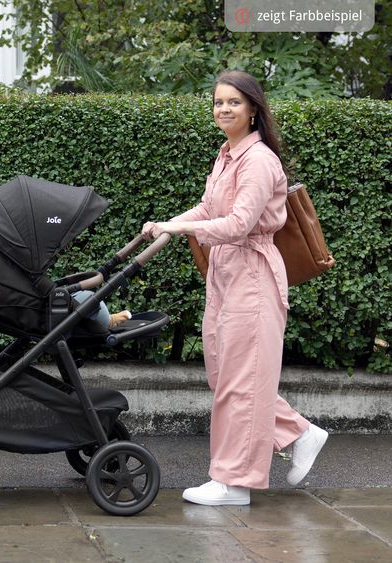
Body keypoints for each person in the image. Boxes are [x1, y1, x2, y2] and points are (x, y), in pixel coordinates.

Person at [141, 70, 328, 506]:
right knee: (224, 374)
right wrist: (169, 225)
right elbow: (210, 207)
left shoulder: (260, 160)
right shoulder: (227, 155)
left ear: (253, 110)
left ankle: (234, 483)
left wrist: (182, 227)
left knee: (242, 380)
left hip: (253, 274)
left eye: (233, 102)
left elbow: (241, 223)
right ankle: (298, 433)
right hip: (225, 273)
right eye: (218, 102)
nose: (223, 109)